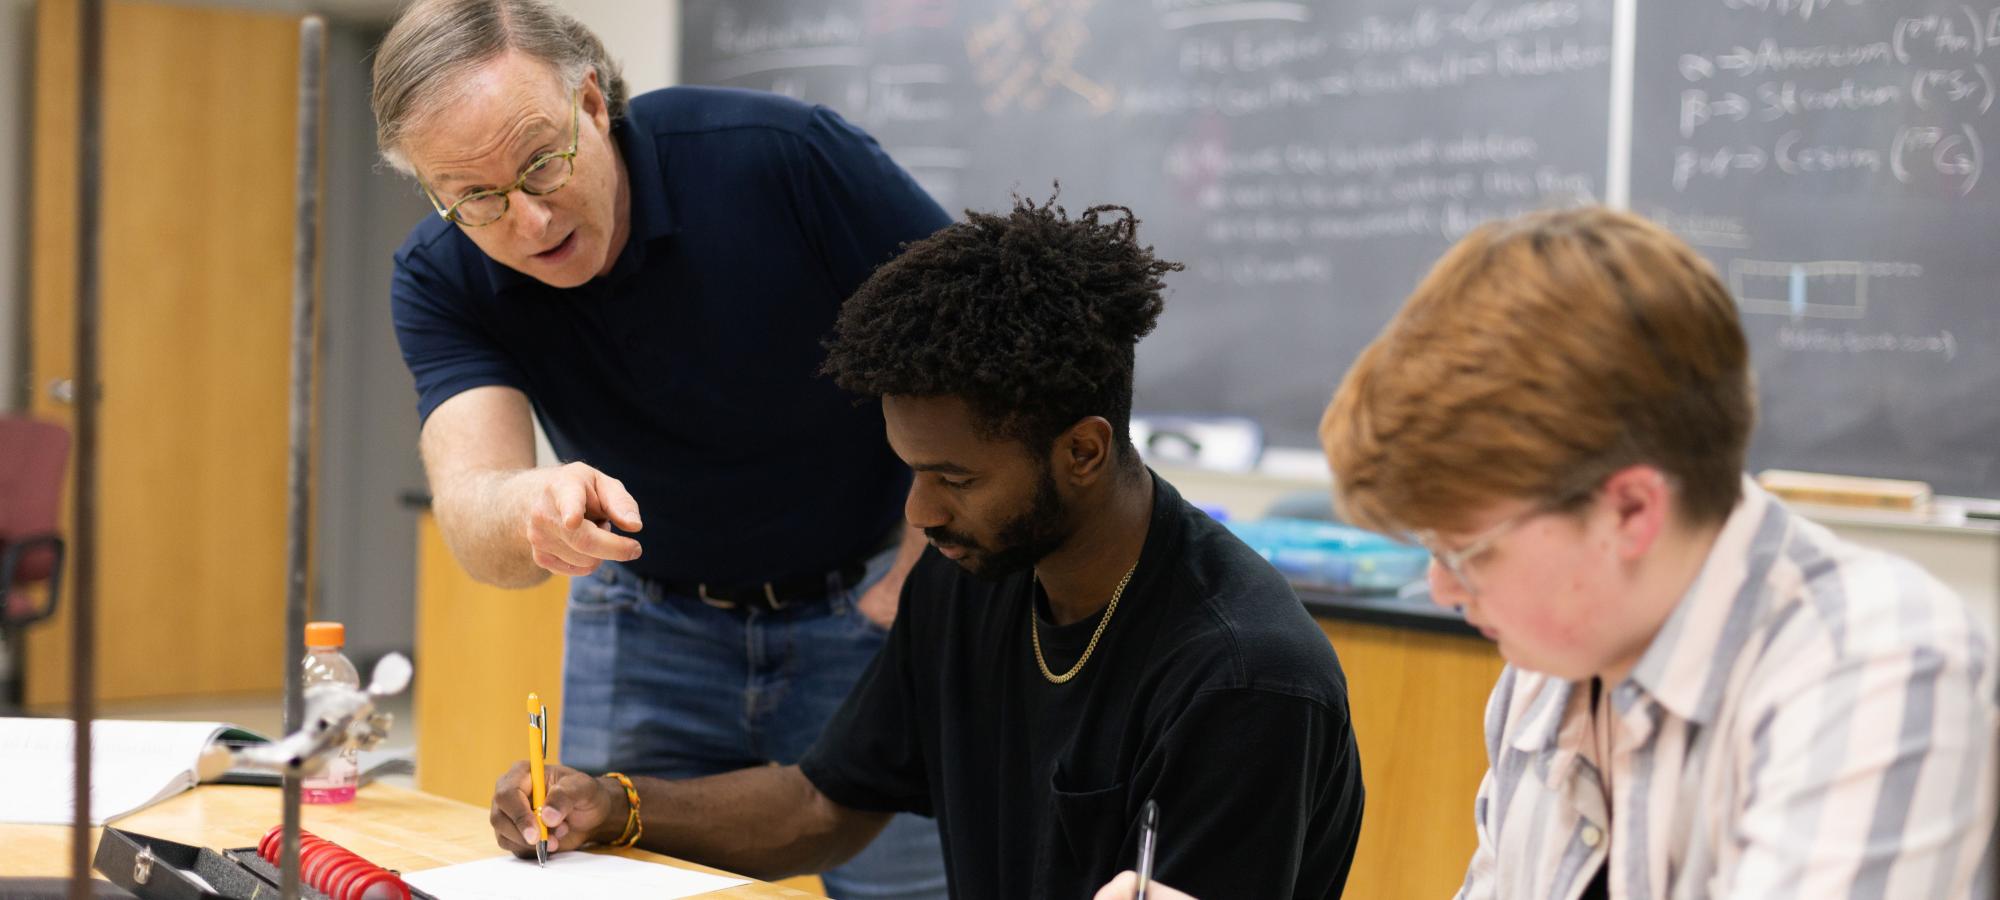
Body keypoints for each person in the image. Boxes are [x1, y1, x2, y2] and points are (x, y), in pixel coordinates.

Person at [488, 195, 1365, 899]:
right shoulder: (972, 578)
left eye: (956, 478)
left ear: (1084, 452)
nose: (921, 513)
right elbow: (824, 803)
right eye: (909, 471)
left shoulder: (1244, 679)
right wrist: (611, 806)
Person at [369, 1, 952, 895]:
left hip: (866, 611)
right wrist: (531, 506)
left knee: (907, 887)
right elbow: (473, 502)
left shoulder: (780, 157)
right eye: (476, 197)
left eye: (541, 163)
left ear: (593, 105)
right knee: (617, 878)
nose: (526, 221)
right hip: (646, 623)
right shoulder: (441, 272)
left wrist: (924, 575)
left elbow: (981, 345)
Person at [1320, 206, 1999, 898]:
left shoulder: (1877, 668)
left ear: (1632, 511)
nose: (1441, 587)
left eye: (1468, 553)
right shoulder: (1550, 665)